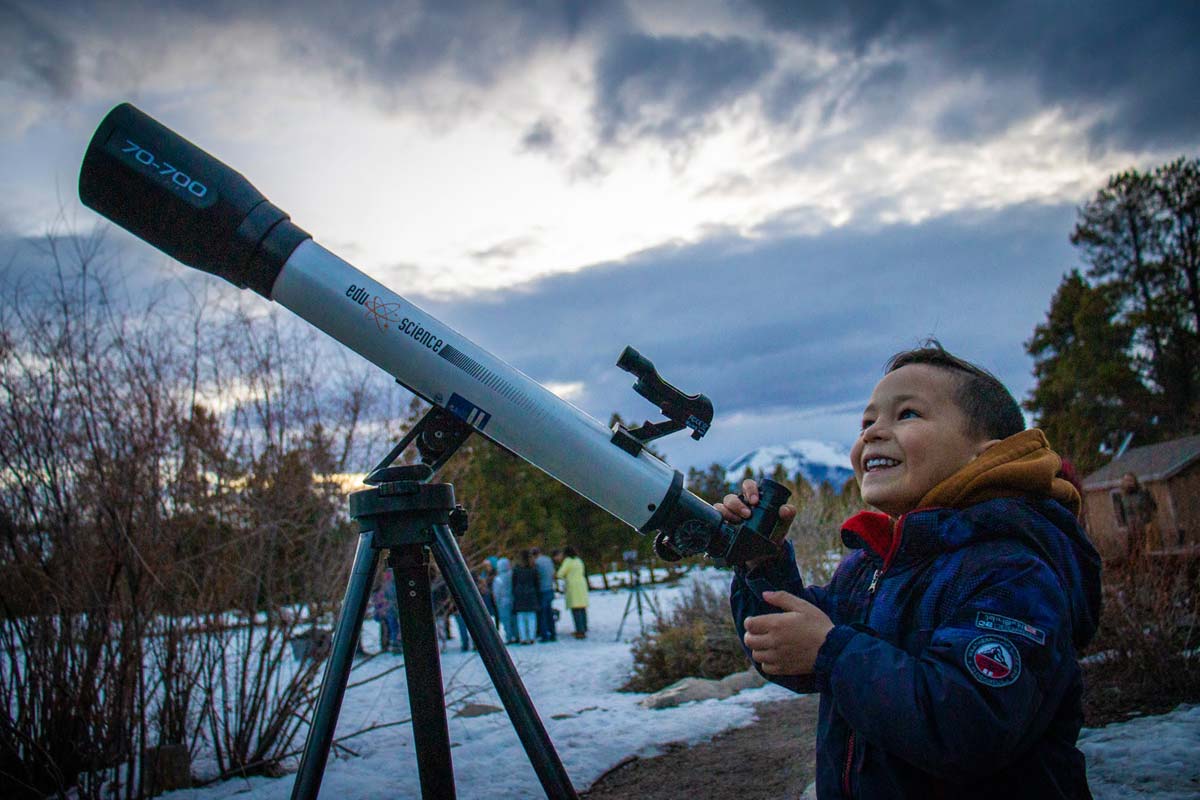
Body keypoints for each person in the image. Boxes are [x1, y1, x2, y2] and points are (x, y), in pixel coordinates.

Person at [721, 342, 1101, 799]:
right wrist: (762, 564)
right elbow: (791, 653)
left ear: (989, 454)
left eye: (907, 415)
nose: (873, 433)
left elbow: (968, 726)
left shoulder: (1011, 570)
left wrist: (832, 651)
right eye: (867, 422)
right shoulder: (873, 564)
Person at [555, 546, 589, 639]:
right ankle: (584, 627)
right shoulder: (578, 560)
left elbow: (560, 574)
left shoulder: (568, 561)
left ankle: (580, 631)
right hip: (582, 585)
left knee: (576, 609)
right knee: (582, 608)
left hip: (573, 586)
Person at [511, 550, 540, 645]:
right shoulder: (533, 569)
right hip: (531, 594)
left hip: (519, 595)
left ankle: (523, 638)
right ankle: (532, 637)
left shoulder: (516, 569)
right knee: (532, 617)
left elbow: (514, 583)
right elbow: (537, 583)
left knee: (521, 618)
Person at [533, 547, 558, 642]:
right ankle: (553, 633)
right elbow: (553, 574)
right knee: (549, 612)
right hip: (550, 589)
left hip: (542, 590)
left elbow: (537, 576)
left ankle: (544, 634)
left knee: (542, 614)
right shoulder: (548, 560)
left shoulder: (537, 563)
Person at [492, 556, 517, 644]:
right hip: (513, 599)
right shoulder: (512, 575)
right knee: (514, 619)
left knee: (506, 620)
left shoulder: (498, 579)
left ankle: (509, 637)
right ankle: (516, 635)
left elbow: (496, 593)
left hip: (502, 602)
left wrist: (496, 602)